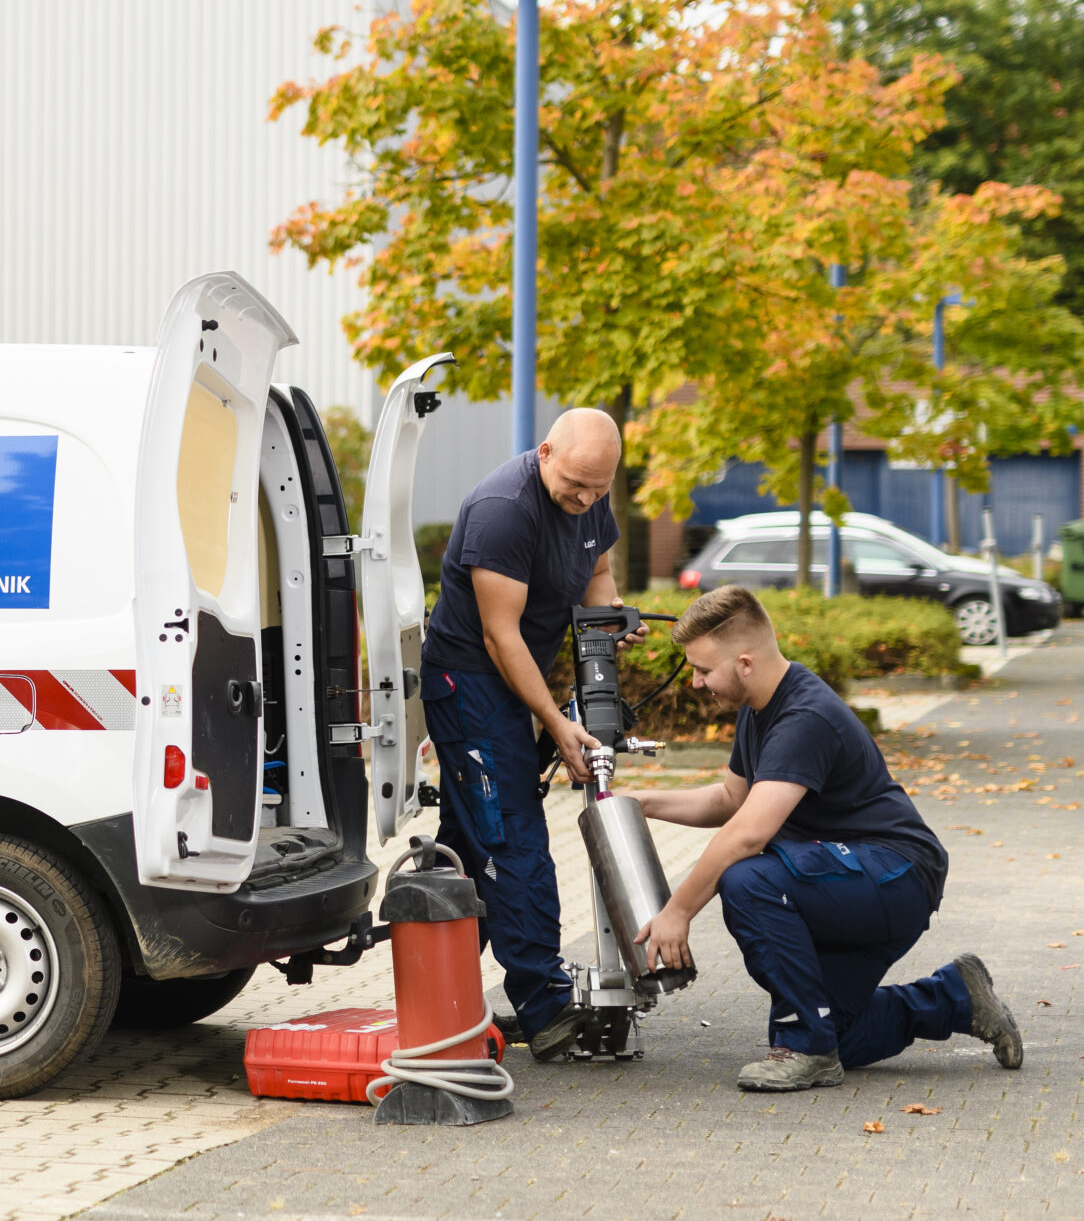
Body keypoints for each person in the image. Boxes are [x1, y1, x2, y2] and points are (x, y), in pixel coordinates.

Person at [634, 585, 1022, 1091]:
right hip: (849, 878)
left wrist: (678, 911)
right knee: (847, 1036)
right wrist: (641, 804)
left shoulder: (803, 717)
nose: (696, 682)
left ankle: (804, 1048)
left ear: (745, 662)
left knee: (749, 879)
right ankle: (956, 997)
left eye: (703, 670)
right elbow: (732, 800)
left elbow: (747, 833)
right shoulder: (759, 709)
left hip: (894, 874)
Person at [418, 408, 626, 1062]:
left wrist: (608, 623)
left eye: (600, 488)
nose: (587, 500)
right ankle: (547, 1008)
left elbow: (597, 573)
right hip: (471, 684)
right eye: (577, 486)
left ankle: (431, 1000)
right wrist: (558, 724)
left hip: (514, 679)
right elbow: (498, 636)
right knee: (512, 838)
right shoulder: (503, 509)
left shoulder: (590, 493)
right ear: (544, 453)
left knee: (467, 843)